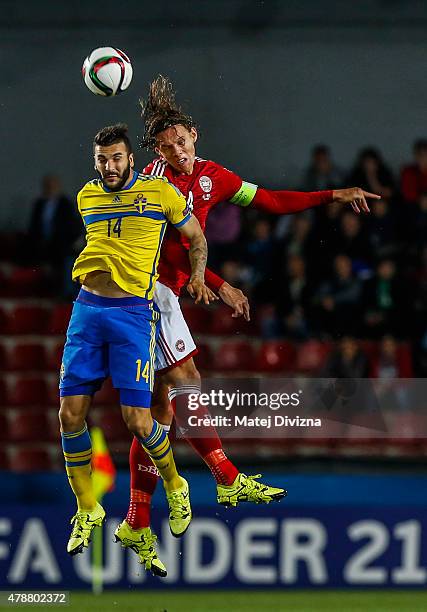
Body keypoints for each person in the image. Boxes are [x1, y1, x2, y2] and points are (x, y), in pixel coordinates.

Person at [117, 75, 381, 573]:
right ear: (156, 149)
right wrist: (219, 283)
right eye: (166, 146)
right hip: (143, 290)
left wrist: (334, 194)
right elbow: (160, 250)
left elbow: (273, 200)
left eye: (181, 141)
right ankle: (225, 473)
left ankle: (135, 520)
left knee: (163, 414)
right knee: (186, 383)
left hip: (165, 291)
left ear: (194, 134)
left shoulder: (214, 177)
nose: (175, 151)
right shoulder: (152, 185)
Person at [58, 123, 213, 577]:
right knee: (68, 415)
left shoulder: (161, 193)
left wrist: (200, 275)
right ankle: (88, 508)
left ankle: (175, 482)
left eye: (116, 158)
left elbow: (196, 238)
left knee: (137, 419)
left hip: (132, 314)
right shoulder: (87, 196)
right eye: (102, 159)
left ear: (131, 158)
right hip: (87, 309)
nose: (109, 166)